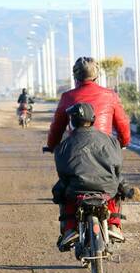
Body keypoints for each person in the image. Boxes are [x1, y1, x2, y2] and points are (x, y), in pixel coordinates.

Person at [53, 103, 129, 251]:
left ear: (73, 122)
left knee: (62, 193)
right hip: (106, 187)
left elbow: (62, 172)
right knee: (116, 191)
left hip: (77, 189)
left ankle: (69, 229)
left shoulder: (64, 145)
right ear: (93, 119)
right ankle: (114, 224)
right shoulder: (111, 141)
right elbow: (117, 167)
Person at [46, 57, 130, 151]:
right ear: (96, 76)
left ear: (75, 76)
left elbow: (56, 128)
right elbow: (123, 124)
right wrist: (123, 143)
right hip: (105, 150)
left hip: (76, 151)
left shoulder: (67, 97)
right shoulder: (111, 95)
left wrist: (52, 145)